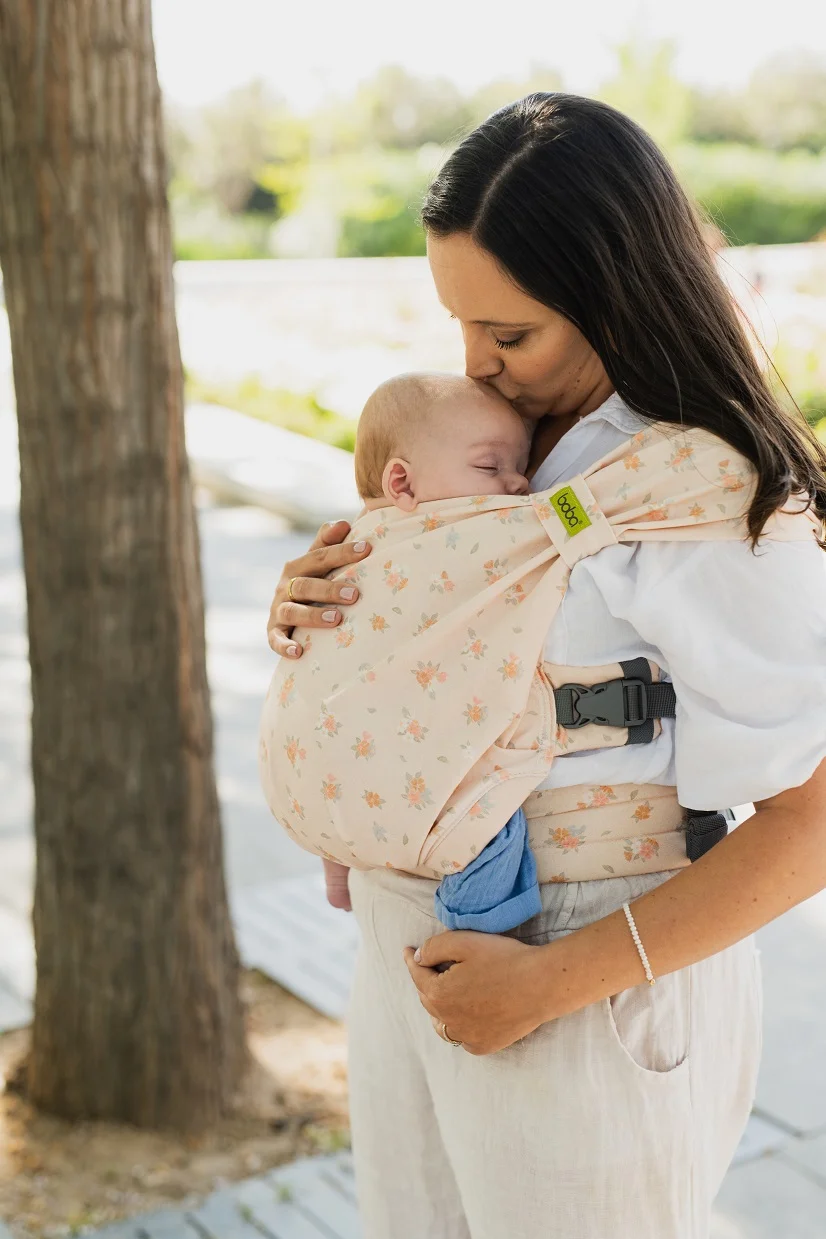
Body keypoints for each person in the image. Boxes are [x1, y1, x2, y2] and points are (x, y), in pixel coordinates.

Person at [265, 93, 826, 1239]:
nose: (476, 363)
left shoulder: (698, 495)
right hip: (404, 940)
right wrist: (317, 606)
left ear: (612, 291)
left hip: (582, 960)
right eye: (459, 325)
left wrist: (553, 983)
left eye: (509, 334)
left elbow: (812, 814)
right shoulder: (501, 448)